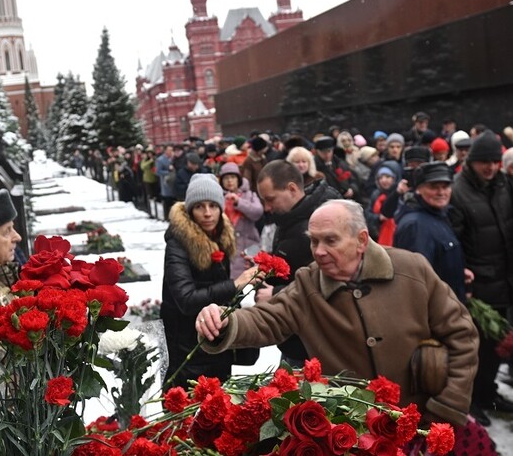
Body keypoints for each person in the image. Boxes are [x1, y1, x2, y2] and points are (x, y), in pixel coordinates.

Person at [196, 199, 479, 428]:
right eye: (314, 241)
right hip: (353, 433)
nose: (318, 251)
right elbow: (265, 319)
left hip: (420, 424)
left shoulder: (412, 270)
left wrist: (447, 407)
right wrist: (223, 320)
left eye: (330, 240)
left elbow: (462, 336)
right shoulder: (309, 284)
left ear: (361, 240)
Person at [161, 174, 258, 388]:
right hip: (187, 346)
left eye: (213, 206)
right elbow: (186, 300)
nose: (207, 213)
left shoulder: (220, 235)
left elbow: (217, 288)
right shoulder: (178, 244)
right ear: (189, 210)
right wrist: (234, 284)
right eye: (200, 206)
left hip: (213, 339)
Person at [450, 130, 513, 425]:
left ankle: (488, 391)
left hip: (504, 278)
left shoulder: (502, 185)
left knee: (496, 345)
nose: (490, 167)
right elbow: (456, 240)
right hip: (479, 284)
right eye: (484, 162)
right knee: (475, 348)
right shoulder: (459, 191)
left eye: (494, 161)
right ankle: (473, 399)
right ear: (472, 161)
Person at [255, 160, 340, 365]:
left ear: (292, 189)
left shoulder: (319, 225)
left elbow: (332, 285)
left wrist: (276, 293)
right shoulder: (291, 217)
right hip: (295, 334)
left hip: (313, 344)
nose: (267, 207)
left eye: (270, 199)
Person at [394, 162, 470, 303]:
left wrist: (458, 272)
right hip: (438, 311)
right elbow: (418, 280)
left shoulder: (439, 214)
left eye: (445, 187)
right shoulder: (415, 226)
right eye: (434, 187)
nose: (441, 192)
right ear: (419, 190)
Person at [218, 162, 263, 279]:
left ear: (238, 179)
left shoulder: (249, 195)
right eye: (226, 178)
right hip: (226, 246)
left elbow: (257, 212)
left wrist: (239, 202)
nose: (229, 181)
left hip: (249, 246)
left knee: (251, 282)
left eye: (232, 177)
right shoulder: (218, 196)